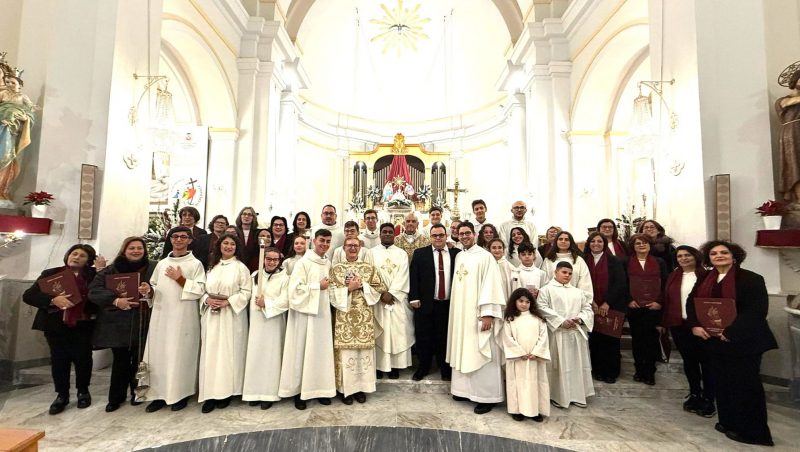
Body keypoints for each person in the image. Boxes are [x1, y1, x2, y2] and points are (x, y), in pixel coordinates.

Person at [688, 241, 777, 447]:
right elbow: (692, 303)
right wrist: (695, 325)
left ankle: (754, 433)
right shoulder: (704, 278)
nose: (719, 256)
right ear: (708, 258)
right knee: (723, 384)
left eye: (724, 252)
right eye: (714, 253)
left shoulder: (751, 279)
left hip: (743, 342)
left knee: (745, 386)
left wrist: (731, 332)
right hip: (714, 342)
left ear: (734, 255)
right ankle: (729, 422)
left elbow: (756, 311)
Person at [23, 244, 98, 415]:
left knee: (83, 359)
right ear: (67, 255)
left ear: (88, 261)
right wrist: (52, 299)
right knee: (59, 360)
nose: (77, 257)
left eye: (82, 256)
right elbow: (29, 295)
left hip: (83, 324)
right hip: (56, 325)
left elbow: (99, 298)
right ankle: (62, 395)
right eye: (74, 253)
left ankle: (83, 391)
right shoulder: (51, 274)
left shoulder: (93, 276)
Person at [142, 226, 206, 413]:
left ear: (190, 240)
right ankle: (157, 395)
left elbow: (200, 289)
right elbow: (154, 286)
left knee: (180, 354)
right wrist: (148, 291)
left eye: (183, 237)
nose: (179, 240)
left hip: (184, 317)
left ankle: (180, 393)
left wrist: (180, 279)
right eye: (175, 236)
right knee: (159, 354)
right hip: (161, 315)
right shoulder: (162, 264)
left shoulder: (195, 264)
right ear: (170, 240)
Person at [88, 237, 156, 412]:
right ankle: (115, 397)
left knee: (140, 359)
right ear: (124, 250)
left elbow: (163, 289)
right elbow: (94, 291)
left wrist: (150, 291)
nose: (136, 251)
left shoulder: (152, 268)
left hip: (143, 320)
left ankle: (137, 393)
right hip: (118, 322)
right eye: (131, 248)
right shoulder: (111, 270)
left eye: (139, 248)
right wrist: (116, 300)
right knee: (120, 360)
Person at [447, 221, 506, 414]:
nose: (464, 236)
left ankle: (486, 396)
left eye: (467, 233)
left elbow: (491, 285)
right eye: (461, 233)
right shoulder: (460, 256)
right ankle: (463, 390)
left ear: (474, 234)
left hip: (478, 314)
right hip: (462, 314)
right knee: (464, 348)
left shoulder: (485, 256)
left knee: (481, 350)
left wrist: (488, 313)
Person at [279, 229, 336, 409]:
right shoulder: (303, 262)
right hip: (304, 316)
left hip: (322, 314)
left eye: (328, 241)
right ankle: (300, 393)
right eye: (322, 240)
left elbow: (332, 288)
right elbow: (294, 290)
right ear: (313, 240)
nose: (324, 244)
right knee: (302, 352)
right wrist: (317, 286)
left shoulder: (328, 263)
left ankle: (321, 390)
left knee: (320, 352)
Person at [198, 233, 252, 413]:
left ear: (237, 248)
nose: (228, 247)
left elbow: (246, 292)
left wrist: (229, 302)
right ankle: (209, 394)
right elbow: (202, 290)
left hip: (231, 316)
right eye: (225, 243)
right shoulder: (211, 267)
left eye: (232, 244)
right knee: (211, 354)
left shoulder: (241, 268)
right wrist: (207, 300)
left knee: (228, 354)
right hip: (211, 316)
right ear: (219, 245)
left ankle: (226, 393)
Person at [329, 238, 387, 404]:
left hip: (363, 318)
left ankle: (361, 389)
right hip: (344, 319)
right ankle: (345, 391)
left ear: (360, 248)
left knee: (363, 354)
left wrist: (362, 286)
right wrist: (348, 289)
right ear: (344, 248)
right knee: (345, 354)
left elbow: (380, 287)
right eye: (349, 245)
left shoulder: (368, 268)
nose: (353, 248)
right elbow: (330, 292)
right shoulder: (336, 269)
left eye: (355, 245)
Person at [662, 245, 714, 416]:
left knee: (706, 362)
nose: (683, 259)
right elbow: (667, 300)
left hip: (702, 325)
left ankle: (709, 397)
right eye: (680, 256)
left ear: (695, 256)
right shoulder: (673, 276)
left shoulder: (707, 275)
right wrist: (663, 322)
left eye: (687, 255)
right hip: (679, 324)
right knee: (689, 361)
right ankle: (694, 393)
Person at [537, 262, 595, 409]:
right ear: (555, 272)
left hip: (575, 334)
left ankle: (577, 395)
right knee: (558, 366)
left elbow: (587, 309)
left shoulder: (578, 292)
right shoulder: (546, 290)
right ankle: (557, 396)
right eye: (564, 272)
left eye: (570, 273)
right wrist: (561, 321)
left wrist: (580, 319)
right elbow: (541, 307)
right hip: (557, 334)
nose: (567, 275)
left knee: (576, 365)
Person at [409, 224, 460, 381]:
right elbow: (414, 276)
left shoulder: (457, 254)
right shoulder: (420, 254)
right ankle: (423, 367)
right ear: (430, 237)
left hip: (449, 304)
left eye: (441, 235)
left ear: (446, 236)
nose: (438, 238)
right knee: (424, 337)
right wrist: (414, 297)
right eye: (435, 235)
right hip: (425, 303)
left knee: (444, 337)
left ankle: (445, 369)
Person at [242, 247, 289, 410]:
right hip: (257, 323)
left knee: (270, 358)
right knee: (255, 356)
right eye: (268, 259)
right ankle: (254, 392)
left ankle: (269, 394)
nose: (271, 262)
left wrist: (266, 303)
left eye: (275, 260)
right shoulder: (255, 275)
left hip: (273, 323)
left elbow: (286, 300)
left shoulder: (285, 278)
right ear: (264, 259)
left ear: (279, 261)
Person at [625, 233, 669, 386]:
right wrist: (629, 300)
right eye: (638, 243)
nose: (641, 245)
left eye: (644, 243)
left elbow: (666, 284)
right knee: (637, 340)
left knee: (651, 340)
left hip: (653, 308)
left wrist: (659, 302)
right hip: (635, 308)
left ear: (650, 245)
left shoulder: (660, 262)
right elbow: (623, 283)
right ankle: (639, 370)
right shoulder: (626, 262)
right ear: (633, 246)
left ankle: (650, 372)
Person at [371, 223, 414, 379]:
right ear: (380, 234)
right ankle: (378, 366)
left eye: (390, 232)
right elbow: (370, 274)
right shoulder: (371, 253)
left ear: (394, 235)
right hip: (378, 299)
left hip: (396, 300)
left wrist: (392, 293)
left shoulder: (401, 253)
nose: (388, 234)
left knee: (397, 333)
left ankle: (395, 366)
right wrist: (381, 293)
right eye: (385, 232)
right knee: (379, 332)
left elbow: (404, 274)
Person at [584, 232, 627, 384]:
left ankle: (611, 372)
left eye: (599, 241)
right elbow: (581, 283)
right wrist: (592, 302)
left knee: (610, 341)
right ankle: (597, 370)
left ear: (604, 244)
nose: (596, 244)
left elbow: (620, 283)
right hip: (590, 306)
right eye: (593, 241)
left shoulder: (614, 260)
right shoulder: (583, 260)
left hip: (612, 306)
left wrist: (607, 302)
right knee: (595, 341)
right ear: (588, 244)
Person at [502, 288, 550, 422]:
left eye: (527, 302)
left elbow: (543, 337)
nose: (524, 304)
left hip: (534, 359)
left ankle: (535, 410)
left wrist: (536, 352)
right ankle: (517, 410)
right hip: (518, 359)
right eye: (521, 301)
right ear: (514, 301)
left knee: (535, 384)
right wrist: (520, 353)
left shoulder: (538, 319)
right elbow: (507, 338)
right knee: (517, 384)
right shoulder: (510, 319)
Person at [0, 71, 36, 205]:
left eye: (13, 82)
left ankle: (2, 190)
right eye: (7, 82)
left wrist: (26, 118)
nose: (9, 84)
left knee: (8, 158)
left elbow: (31, 112)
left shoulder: (23, 97)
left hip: (12, 135)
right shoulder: (3, 94)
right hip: (1, 128)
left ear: (20, 85)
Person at [540, 231, 593, 299]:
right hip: (553, 297)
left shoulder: (578, 260)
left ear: (571, 242)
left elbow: (584, 282)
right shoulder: (548, 260)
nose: (563, 241)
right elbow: (544, 281)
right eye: (560, 239)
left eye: (566, 239)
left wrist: (582, 298)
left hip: (574, 298)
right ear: (556, 241)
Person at [776, 67, 800, 201]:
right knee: (795, 164)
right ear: (795, 81)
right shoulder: (783, 100)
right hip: (792, 134)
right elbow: (788, 103)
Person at [236, 206, 260, 272]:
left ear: (253, 217)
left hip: (254, 267)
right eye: (244, 214)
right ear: (240, 216)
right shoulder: (234, 231)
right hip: (237, 265)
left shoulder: (258, 233)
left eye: (250, 215)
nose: (246, 216)